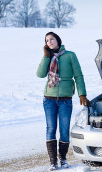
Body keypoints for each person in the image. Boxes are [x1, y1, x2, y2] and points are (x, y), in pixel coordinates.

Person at [37, 32, 89, 171]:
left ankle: (63, 159)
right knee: (50, 129)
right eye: (47, 40)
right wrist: (46, 56)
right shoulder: (48, 57)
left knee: (64, 130)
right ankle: (53, 162)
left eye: (52, 39)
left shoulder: (70, 55)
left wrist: (82, 93)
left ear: (58, 40)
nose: (49, 42)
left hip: (65, 100)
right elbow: (40, 74)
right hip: (49, 99)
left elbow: (78, 75)